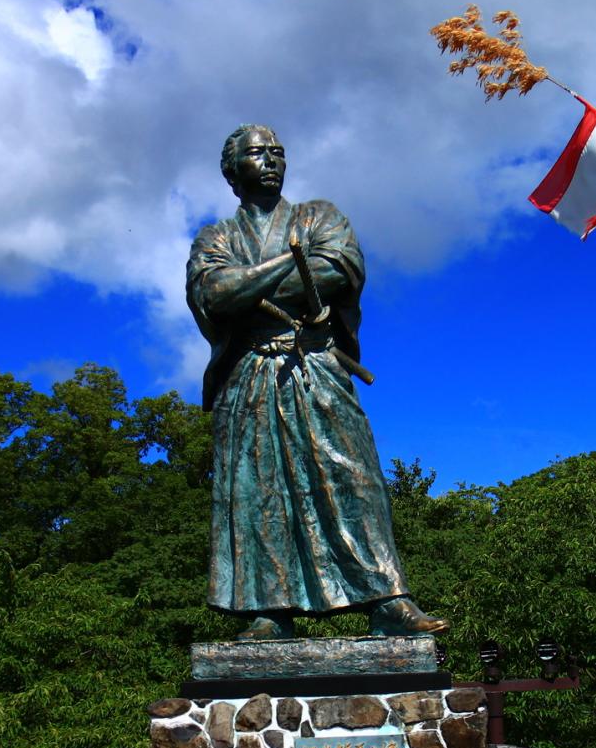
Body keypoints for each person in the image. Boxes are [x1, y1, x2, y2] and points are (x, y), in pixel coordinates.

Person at [187, 124, 448, 641]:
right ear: (231, 170)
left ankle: (388, 600)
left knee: (352, 476)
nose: (271, 161)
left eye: (278, 152)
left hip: (315, 364)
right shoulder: (215, 237)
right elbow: (215, 295)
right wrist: (292, 261)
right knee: (258, 491)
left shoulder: (320, 216)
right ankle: (268, 611)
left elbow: (335, 270)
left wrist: (255, 280)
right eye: (258, 154)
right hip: (250, 376)